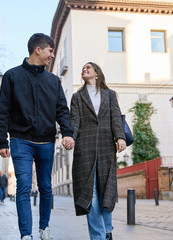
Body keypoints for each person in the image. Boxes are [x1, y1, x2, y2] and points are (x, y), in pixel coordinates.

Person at [0, 33, 74, 240]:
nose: (52, 55)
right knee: (23, 185)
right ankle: (25, 234)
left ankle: (44, 228)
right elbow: (3, 109)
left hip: (46, 141)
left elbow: (62, 110)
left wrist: (67, 132)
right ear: (38, 50)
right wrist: (2, 140)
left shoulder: (53, 81)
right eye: (50, 50)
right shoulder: (12, 76)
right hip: (20, 140)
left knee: (45, 186)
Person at [70, 62, 126, 240]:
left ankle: (107, 230)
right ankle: (99, 236)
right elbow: (74, 121)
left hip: (105, 147)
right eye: (83, 68)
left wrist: (120, 137)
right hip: (84, 148)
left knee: (105, 191)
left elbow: (115, 117)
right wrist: (70, 137)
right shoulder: (77, 97)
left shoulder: (110, 95)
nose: (84, 69)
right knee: (90, 193)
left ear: (96, 73)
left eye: (88, 67)